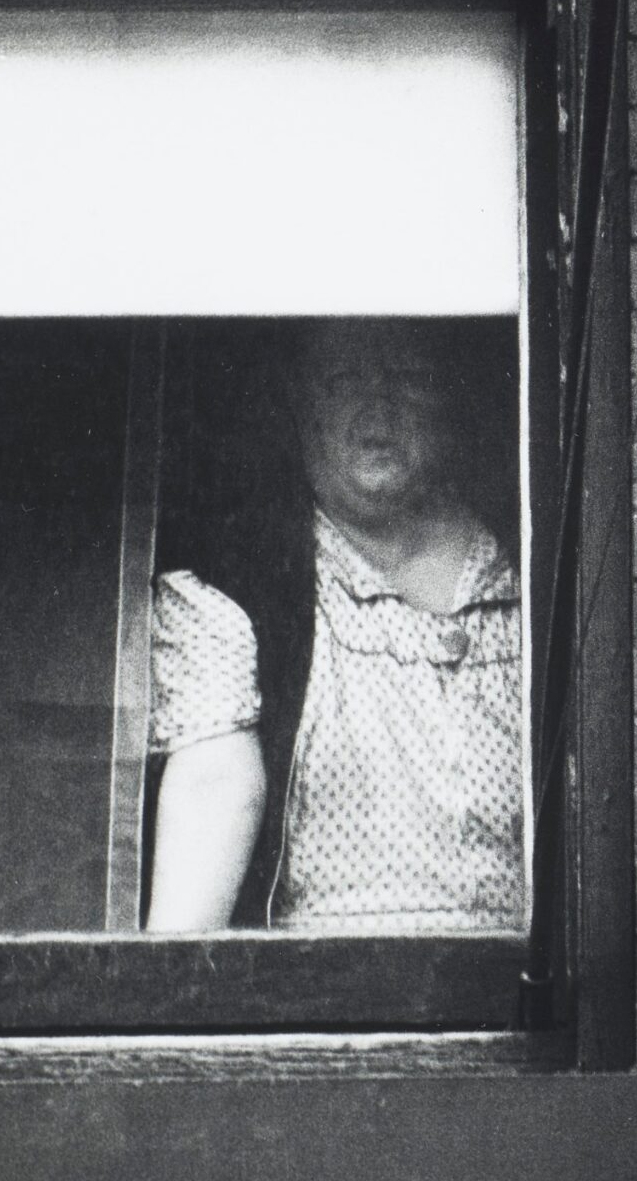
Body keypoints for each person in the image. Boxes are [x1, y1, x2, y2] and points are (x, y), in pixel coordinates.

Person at [140, 322, 523, 933]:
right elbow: (213, 790)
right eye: (344, 379)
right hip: (328, 986)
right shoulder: (240, 593)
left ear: (449, 396)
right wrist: (166, 988)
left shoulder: (531, 578)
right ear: (299, 403)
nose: (378, 405)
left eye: (407, 377)